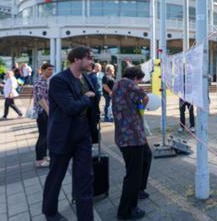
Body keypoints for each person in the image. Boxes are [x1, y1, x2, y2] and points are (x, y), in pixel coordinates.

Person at [42, 47, 99, 221]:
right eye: (89, 58)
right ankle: (50, 212)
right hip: (63, 136)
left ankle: (86, 217)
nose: (92, 61)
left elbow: (94, 100)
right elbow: (70, 107)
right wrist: (87, 97)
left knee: (85, 178)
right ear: (76, 60)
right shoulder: (59, 80)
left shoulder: (87, 78)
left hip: (83, 135)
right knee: (56, 176)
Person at [112, 67, 151, 220]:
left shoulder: (118, 84)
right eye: (139, 79)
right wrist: (143, 104)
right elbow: (144, 97)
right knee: (133, 174)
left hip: (130, 135)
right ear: (134, 77)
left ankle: (139, 189)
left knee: (146, 156)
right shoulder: (127, 84)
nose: (140, 82)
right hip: (131, 137)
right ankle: (126, 210)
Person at [33, 63, 54, 168]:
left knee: (47, 135)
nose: (51, 72)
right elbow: (40, 98)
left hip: (46, 112)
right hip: (43, 112)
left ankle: (44, 157)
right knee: (43, 136)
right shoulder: (40, 81)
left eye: (52, 70)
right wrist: (48, 111)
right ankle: (39, 160)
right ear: (43, 70)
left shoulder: (46, 80)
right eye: (49, 69)